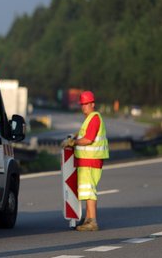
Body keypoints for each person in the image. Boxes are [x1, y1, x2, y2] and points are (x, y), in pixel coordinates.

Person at [63, 90, 109, 231]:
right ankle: (88, 219)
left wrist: (74, 143)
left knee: (89, 191)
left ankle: (92, 221)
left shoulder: (94, 118)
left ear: (92, 104)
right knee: (86, 190)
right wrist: (75, 138)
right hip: (86, 161)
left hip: (91, 160)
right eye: (82, 104)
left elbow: (88, 140)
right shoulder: (89, 119)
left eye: (86, 104)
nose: (83, 107)